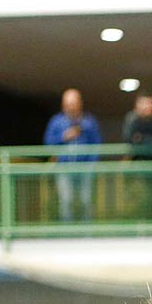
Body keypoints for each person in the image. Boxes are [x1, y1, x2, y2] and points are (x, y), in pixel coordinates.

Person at [43, 88, 101, 223]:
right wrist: (64, 136)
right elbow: (48, 143)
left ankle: (87, 232)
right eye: (67, 104)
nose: (70, 107)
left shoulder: (89, 122)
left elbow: (97, 145)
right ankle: (66, 233)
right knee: (65, 200)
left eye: (73, 103)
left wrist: (91, 164)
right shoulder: (56, 122)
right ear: (63, 105)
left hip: (84, 168)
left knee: (86, 200)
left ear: (80, 103)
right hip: (64, 168)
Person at [120, 93, 152, 222]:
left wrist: (141, 139)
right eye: (141, 105)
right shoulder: (131, 119)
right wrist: (143, 139)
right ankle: (137, 224)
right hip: (136, 165)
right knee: (136, 197)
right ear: (136, 107)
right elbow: (128, 139)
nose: (145, 108)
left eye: (147, 104)